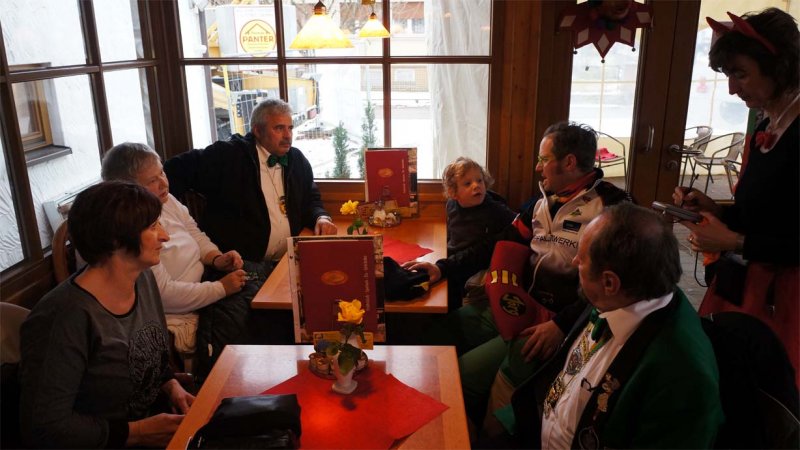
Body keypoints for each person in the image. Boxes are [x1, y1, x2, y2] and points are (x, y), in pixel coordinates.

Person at [497, 203, 723, 448]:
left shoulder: (682, 375)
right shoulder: (623, 294)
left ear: (609, 283)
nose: (574, 261)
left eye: (581, 259)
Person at [455, 121, 631, 427]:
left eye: (543, 159)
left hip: (562, 325)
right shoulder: (540, 202)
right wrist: (442, 267)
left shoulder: (613, 210)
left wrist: (562, 325)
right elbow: (500, 243)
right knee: (445, 331)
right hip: (521, 306)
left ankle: (485, 436)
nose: (538, 168)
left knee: (463, 376)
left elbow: (615, 289)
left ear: (569, 162)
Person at [673, 8, 799, 383]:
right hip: (746, 284)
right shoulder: (767, 123)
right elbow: (768, 213)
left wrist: (734, 241)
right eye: (728, 75)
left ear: (778, 67)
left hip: (787, 300)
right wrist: (716, 210)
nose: (731, 88)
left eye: (740, 74)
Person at [19, 181, 194, 448]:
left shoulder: (142, 279)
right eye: (152, 227)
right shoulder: (64, 317)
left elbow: (151, 356)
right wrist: (137, 433)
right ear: (115, 240)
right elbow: (44, 426)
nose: (165, 236)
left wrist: (170, 384)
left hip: (156, 425)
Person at [102, 142, 260, 379]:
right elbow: (163, 296)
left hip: (207, 279)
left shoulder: (166, 200)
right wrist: (220, 288)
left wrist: (216, 258)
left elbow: (194, 232)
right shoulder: (130, 232)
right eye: (152, 180)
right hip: (188, 304)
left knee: (263, 288)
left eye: (162, 173)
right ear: (128, 190)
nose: (163, 183)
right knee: (256, 320)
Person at [164, 98, 337, 264]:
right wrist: (164, 215)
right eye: (279, 128)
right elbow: (173, 169)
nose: (287, 136)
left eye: (290, 128)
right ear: (257, 131)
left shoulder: (296, 159)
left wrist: (320, 217)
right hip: (243, 264)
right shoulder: (228, 156)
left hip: (289, 259)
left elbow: (311, 198)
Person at [405, 157, 517, 311]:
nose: (476, 185)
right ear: (454, 193)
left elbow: (516, 225)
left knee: (446, 293)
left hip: (476, 265)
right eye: (467, 183)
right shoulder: (452, 204)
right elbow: (452, 230)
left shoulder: (495, 210)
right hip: (454, 257)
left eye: (480, 180)